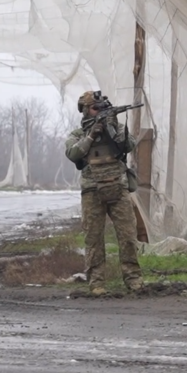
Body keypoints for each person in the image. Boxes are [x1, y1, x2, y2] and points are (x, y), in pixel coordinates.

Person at [65, 90, 142, 296]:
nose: (99, 111)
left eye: (102, 108)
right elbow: (73, 154)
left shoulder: (116, 127)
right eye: (95, 108)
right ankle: (97, 283)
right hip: (92, 190)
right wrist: (92, 135)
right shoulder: (78, 134)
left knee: (127, 236)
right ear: (85, 111)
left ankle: (133, 279)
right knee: (94, 238)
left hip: (118, 186)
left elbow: (129, 144)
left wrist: (111, 128)